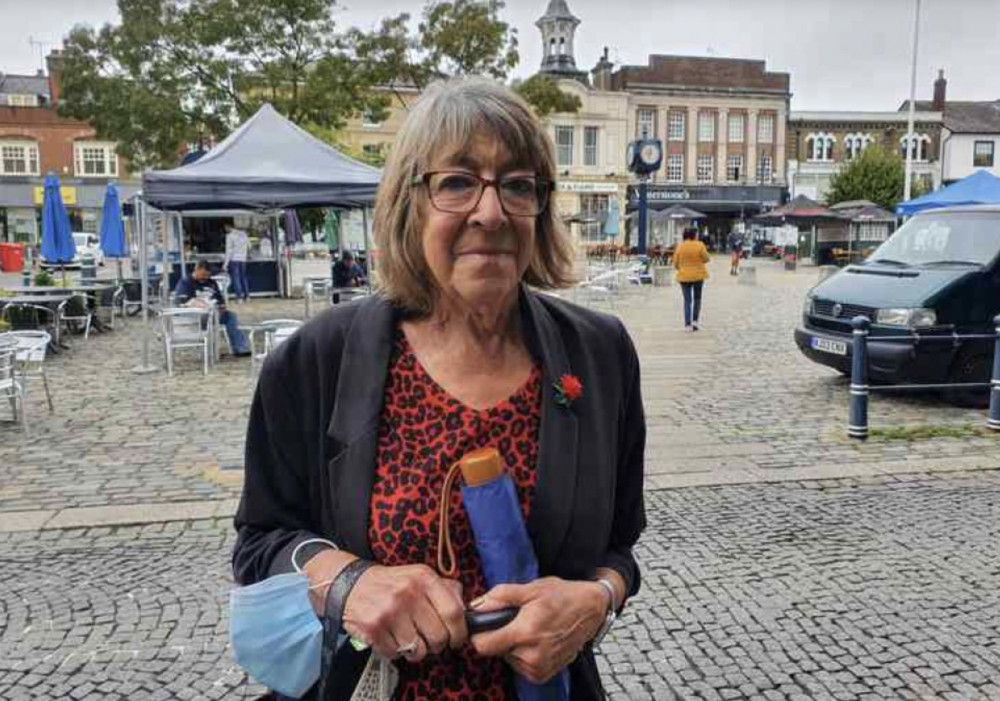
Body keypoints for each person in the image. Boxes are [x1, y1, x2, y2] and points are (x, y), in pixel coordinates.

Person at [232, 77, 646, 701]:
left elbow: (620, 545)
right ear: (409, 203)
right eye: (456, 182)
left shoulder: (601, 354)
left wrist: (598, 599)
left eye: (517, 184)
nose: (491, 211)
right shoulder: (317, 360)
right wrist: (344, 582)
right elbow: (261, 541)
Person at [173, 261, 251, 356]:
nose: (205, 278)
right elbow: (181, 301)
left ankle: (240, 348)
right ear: (196, 269)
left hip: (213, 312)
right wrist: (200, 305)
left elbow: (220, 299)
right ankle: (209, 351)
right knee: (208, 318)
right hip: (194, 315)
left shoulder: (212, 283)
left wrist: (221, 307)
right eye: (203, 275)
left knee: (231, 316)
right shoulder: (186, 282)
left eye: (208, 275)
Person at [673, 227, 710, 331]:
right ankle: (695, 321)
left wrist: (682, 267)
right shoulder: (700, 245)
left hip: (684, 276)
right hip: (698, 275)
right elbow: (706, 258)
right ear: (694, 235)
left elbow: (675, 262)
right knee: (697, 299)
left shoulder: (680, 246)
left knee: (687, 300)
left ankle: (687, 324)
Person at [224, 223, 251, 303]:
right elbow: (249, 246)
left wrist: (225, 264)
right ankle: (247, 297)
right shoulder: (243, 234)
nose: (225, 229)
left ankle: (239, 298)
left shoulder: (229, 236)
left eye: (225, 227)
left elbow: (228, 251)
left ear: (228, 226)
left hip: (234, 259)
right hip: (243, 259)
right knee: (243, 277)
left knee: (236, 278)